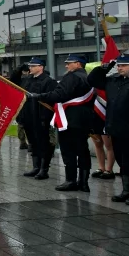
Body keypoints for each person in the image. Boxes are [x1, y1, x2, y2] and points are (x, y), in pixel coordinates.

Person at [87, 54, 129, 205]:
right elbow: (92, 80)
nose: (120, 68)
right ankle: (127, 190)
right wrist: (104, 68)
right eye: (119, 65)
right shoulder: (113, 81)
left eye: (124, 65)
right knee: (122, 161)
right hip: (115, 127)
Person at [37, 54, 95, 192]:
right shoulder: (87, 77)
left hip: (69, 119)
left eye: (69, 63)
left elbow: (59, 94)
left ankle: (71, 180)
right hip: (84, 119)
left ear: (78, 64)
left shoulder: (72, 77)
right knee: (82, 150)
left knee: (68, 151)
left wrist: (40, 96)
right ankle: (83, 182)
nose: (66, 65)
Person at [12, 58, 58, 180]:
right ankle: (36, 167)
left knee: (43, 143)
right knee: (33, 142)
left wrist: (46, 118)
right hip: (28, 116)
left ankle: (44, 169)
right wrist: (19, 69)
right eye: (29, 66)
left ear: (41, 67)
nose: (30, 68)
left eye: (33, 66)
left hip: (41, 117)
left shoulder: (49, 81)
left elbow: (51, 99)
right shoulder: (27, 80)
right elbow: (13, 82)